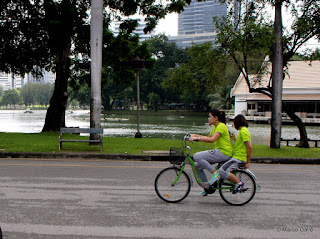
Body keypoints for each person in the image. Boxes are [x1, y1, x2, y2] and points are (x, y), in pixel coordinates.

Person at [189, 110, 233, 196]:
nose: (208, 119)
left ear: (216, 118)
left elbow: (212, 139)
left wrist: (197, 138)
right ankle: (207, 188)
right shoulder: (215, 127)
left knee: (196, 156)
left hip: (224, 153)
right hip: (220, 152)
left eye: (210, 117)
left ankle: (215, 173)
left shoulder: (221, 126)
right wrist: (195, 135)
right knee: (197, 166)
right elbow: (208, 138)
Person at [218, 114, 252, 194]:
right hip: (237, 157)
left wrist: (247, 162)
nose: (233, 125)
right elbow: (241, 145)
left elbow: (249, 147)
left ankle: (238, 183)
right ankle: (233, 181)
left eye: (234, 123)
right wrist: (234, 139)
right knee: (220, 167)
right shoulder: (243, 131)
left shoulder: (244, 132)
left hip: (238, 158)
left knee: (222, 170)